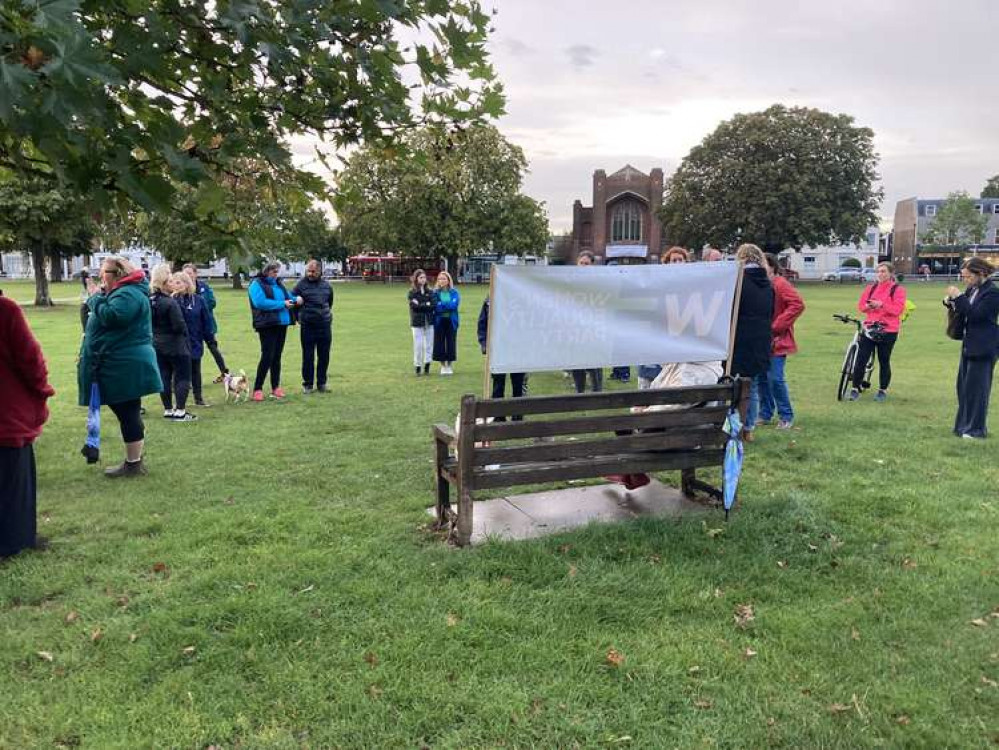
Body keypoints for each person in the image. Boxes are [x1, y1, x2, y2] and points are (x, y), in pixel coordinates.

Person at [78, 256, 163, 477]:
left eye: (104, 272)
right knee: (128, 411)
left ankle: (133, 463)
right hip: (118, 363)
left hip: (123, 364)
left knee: (127, 412)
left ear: (117, 274)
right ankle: (133, 461)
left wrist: (95, 298)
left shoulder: (128, 293)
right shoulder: (124, 292)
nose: (100, 277)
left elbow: (113, 317)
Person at [0, 287, 55, 558]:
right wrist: (42, 389)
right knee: (13, 483)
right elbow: (30, 359)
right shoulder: (6, 311)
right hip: (7, 415)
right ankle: (14, 541)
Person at [944, 257, 999, 439]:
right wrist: (951, 302)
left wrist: (959, 297)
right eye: (964, 277)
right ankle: (962, 427)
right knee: (964, 388)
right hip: (969, 343)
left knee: (977, 390)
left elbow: (976, 315)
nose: (965, 280)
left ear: (980, 273)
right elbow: (963, 308)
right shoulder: (972, 289)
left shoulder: (992, 293)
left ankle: (976, 430)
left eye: (968, 276)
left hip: (984, 346)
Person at [730, 244, 774, 441]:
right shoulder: (768, 285)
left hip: (740, 340)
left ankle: (734, 426)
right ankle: (748, 428)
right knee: (753, 386)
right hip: (761, 340)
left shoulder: (739, 281)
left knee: (735, 386)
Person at [756, 253, 805, 429]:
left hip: (777, 340)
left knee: (775, 378)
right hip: (762, 339)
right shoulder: (763, 284)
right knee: (762, 378)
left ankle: (786, 416)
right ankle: (765, 413)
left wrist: (777, 326)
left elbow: (797, 304)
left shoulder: (780, 283)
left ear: (772, 267)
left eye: (763, 264)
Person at [848, 262, 907, 402]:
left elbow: (897, 310)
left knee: (884, 360)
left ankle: (882, 390)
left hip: (888, 329)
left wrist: (882, 305)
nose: (880, 274)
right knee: (861, 358)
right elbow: (861, 307)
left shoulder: (898, 290)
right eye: (878, 271)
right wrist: (869, 306)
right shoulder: (871, 288)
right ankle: (855, 388)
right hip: (870, 327)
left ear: (891, 273)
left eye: (884, 271)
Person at [149, 265, 195, 422]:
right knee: (182, 377)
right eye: (169, 280)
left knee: (164, 376)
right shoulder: (170, 303)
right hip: (175, 344)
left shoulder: (150, 300)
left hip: (157, 343)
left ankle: (168, 409)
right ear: (163, 283)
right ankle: (180, 411)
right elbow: (179, 326)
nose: (172, 283)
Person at [248, 261, 296, 401]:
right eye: (274, 271)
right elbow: (260, 302)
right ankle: (257, 388)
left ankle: (276, 387)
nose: (276, 274)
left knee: (277, 356)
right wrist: (282, 304)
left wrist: (296, 299)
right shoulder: (256, 284)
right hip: (267, 324)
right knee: (267, 355)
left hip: (282, 323)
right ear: (267, 271)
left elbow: (288, 296)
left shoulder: (278, 284)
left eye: (277, 271)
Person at [477, 296, 527, 418]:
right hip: (497, 347)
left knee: (518, 384)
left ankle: (517, 415)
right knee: (498, 384)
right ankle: (498, 415)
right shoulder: (489, 301)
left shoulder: (521, 298)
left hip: (517, 348)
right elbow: (482, 324)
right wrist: (484, 344)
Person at [172, 271, 214, 409]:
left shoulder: (198, 300)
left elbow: (206, 320)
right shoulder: (172, 301)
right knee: (179, 372)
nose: (176, 285)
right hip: (178, 342)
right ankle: (178, 402)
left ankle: (198, 397)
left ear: (186, 283)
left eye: (179, 282)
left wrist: (209, 337)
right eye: (174, 282)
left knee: (196, 369)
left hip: (195, 340)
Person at [292, 259, 334, 393]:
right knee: (308, 355)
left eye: (313, 271)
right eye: (308, 271)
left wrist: (325, 315)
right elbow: (292, 302)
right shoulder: (300, 285)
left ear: (319, 271)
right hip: (308, 325)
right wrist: (298, 318)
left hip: (324, 324)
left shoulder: (327, 286)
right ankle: (308, 384)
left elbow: (330, 302)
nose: (310, 273)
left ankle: (322, 383)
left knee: (324, 355)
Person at [183, 264, 228, 384]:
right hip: (191, 327)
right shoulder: (181, 290)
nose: (188, 276)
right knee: (191, 352)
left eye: (190, 273)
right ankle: (189, 379)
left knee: (213, 348)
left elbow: (212, 302)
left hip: (205, 324)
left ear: (195, 274)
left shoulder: (203, 286)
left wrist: (199, 308)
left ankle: (225, 372)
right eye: (185, 273)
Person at [571, 251, 603, 393]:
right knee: (576, 362)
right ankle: (579, 393)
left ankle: (597, 392)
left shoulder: (598, 283)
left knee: (594, 362)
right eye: (581, 263)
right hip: (575, 328)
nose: (583, 266)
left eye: (587, 264)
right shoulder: (569, 281)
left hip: (592, 328)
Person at [408, 269, 436, 376]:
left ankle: (427, 365)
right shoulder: (412, 292)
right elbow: (414, 307)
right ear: (416, 279)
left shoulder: (430, 291)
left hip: (429, 321)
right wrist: (426, 304)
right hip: (417, 322)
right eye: (420, 278)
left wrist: (422, 304)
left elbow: (433, 305)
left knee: (428, 345)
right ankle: (418, 366)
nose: (423, 280)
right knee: (418, 345)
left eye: (424, 277)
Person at [432, 270, 460, 375]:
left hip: (451, 321)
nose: (441, 281)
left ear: (448, 280)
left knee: (451, 343)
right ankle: (443, 366)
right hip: (439, 321)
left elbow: (454, 306)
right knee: (439, 344)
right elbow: (436, 307)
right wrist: (446, 304)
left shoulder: (454, 292)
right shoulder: (435, 293)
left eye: (444, 279)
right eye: (439, 279)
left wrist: (442, 304)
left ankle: (449, 365)